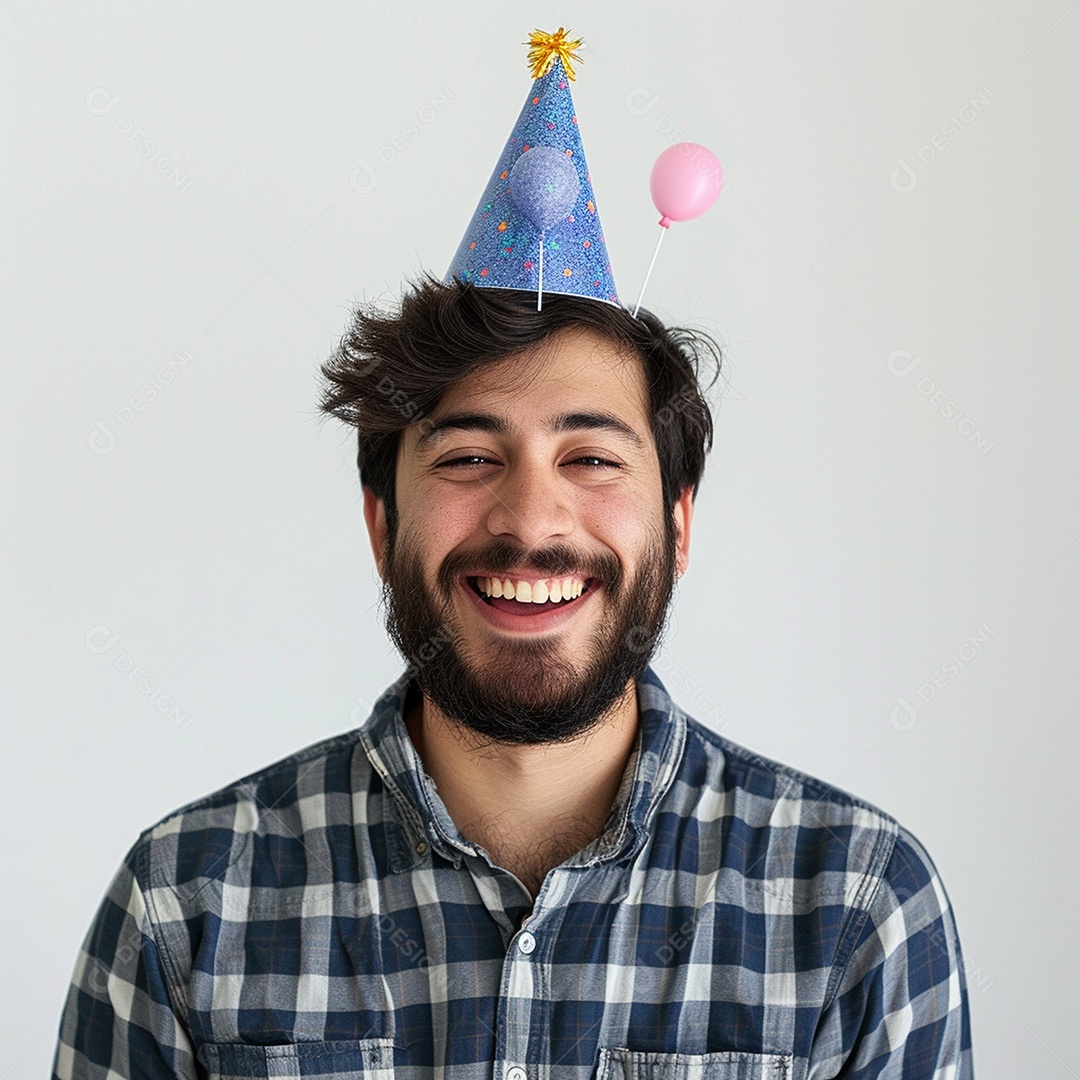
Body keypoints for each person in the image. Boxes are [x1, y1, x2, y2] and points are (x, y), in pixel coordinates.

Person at [53, 28, 973, 1080]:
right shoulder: (185, 908)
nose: (532, 519)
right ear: (380, 522)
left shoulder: (858, 907)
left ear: (677, 523)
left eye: (590, 456)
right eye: (470, 456)